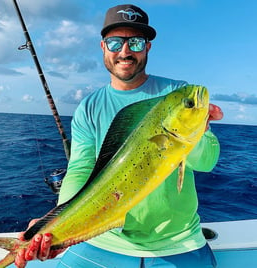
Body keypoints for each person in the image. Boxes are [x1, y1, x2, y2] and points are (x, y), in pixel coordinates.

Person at [15, 4, 223, 268]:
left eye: (135, 43)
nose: (125, 52)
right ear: (103, 47)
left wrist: (199, 130)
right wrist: (55, 222)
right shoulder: (89, 107)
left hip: (178, 243)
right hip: (103, 239)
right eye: (115, 42)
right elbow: (80, 169)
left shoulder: (177, 93)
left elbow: (206, 162)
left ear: (147, 47)